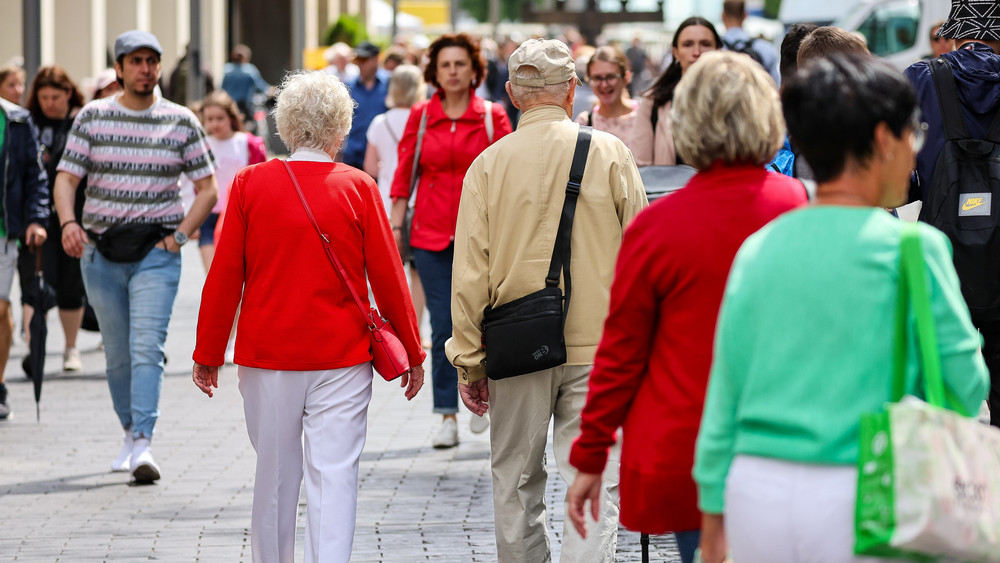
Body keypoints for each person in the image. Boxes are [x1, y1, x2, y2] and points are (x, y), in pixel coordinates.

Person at [693, 53, 989, 563]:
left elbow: (724, 392)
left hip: (758, 493)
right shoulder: (914, 250)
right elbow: (967, 387)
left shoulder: (760, 247)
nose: (915, 152)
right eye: (912, 134)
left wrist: (714, 512)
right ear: (882, 140)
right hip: (871, 489)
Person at [566, 51, 807, 563]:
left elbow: (622, 351)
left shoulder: (658, 226)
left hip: (687, 452)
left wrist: (590, 452)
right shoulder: (803, 209)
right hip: (790, 444)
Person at [192, 69, 426, 563]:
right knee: (334, 474)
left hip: (268, 353)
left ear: (284, 125)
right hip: (341, 354)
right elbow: (388, 276)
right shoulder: (359, 187)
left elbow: (225, 275)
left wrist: (208, 351)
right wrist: (412, 349)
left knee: (275, 475)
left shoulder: (251, 183)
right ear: (341, 129)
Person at [447, 38, 648, 562]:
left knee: (514, 480)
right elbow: (644, 254)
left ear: (512, 93)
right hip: (600, 345)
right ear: (573, 90)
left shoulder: (487, 166)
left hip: (515, 347)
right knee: (593, 478)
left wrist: (468, 363)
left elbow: (469, 277)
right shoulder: (609, 153)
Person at [53, 30, 218, 483]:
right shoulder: (93, 117)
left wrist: (180, 237)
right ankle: (128, 430)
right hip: (99, 252)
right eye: (136, 61)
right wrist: (69, 224)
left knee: (148, 347)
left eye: (152, 60)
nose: (145, 68)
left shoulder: (181, 120)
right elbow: (67, 179)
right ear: (120, 67)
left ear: (160, 66)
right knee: (118, 355)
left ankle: (144, 443)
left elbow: (208, 189)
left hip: (156, 252)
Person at [390, 33, 512, 448]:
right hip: (431, 235)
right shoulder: (422, 116)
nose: (454, 71)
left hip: (487, 237)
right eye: (446, 65)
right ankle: (446, 413)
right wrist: (393, 226)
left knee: (490, 323)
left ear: (475, 70)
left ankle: (488, 396)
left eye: (461, 64)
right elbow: (404, 173)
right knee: (444, 324)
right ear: (434, 72)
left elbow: (511, 177)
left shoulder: (494, 116)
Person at [905, 0, 1000, 427]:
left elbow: (900, 179)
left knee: (940, 393)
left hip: (941, 265)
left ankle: (951, 482)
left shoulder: (920, 80)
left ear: (954, 32)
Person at [20, 66, 88, 375]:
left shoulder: (82, 123)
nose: (50, 103)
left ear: (68, 94)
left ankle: (70, 348)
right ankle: (35, 350)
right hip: (35, 219)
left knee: (71, 285)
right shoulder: (26, 123)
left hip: (74, 217)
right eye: (44, 97)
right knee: (34, 283)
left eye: (55, 97)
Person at [0, 94, 50, 419]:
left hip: (5, 232)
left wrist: (36, 218)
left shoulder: (17, 119)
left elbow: (36, 175)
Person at [628, 17, 721, 166]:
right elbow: (640, 165)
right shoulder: (653, 102)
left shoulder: (734, 100)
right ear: (676, 52)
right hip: (669, 188)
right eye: (688, 44)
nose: (696, 52)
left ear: (718, 50)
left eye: (705, 44)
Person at [574, 46, 638, 142]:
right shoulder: (585, 123)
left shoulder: (643, 116)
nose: (604, 85)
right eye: (597, 78)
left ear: (625, 78)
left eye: (611, 77)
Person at [342, 42, 389, 171]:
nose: (359, 64)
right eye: (358, 59)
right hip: (353, 156)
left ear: (375, 60)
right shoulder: (349, 87)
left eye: (363, 59)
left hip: (381, 158)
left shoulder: (389, 84)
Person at [720, 0, 780, 83]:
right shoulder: (766, 48)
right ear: (745, 15)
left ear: (722, 16)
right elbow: (775, 85)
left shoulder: (715, 49)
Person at [220, 44, 272, 129]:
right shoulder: (249, 70)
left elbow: (222, 88)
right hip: (244, 107)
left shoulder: (227, 69)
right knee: (248, 128)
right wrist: (271, 90)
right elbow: (261, 86)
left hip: (229, 105)